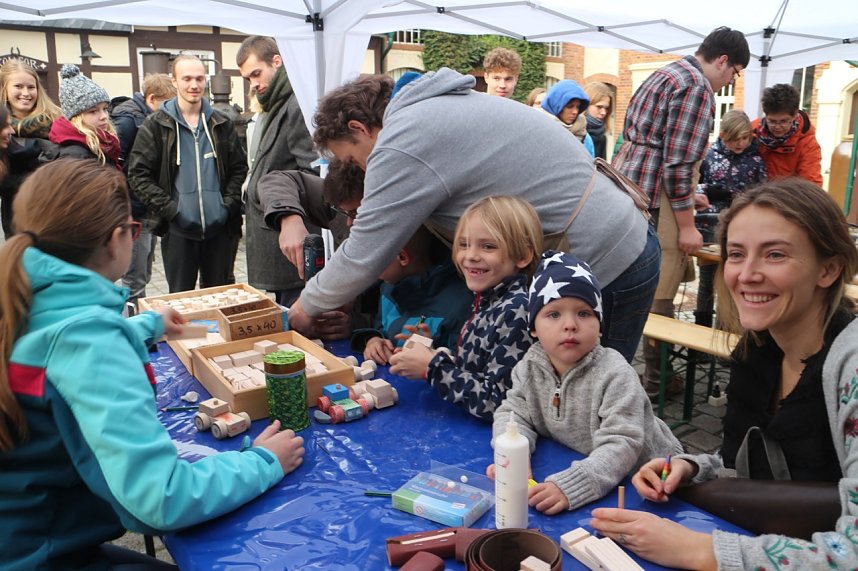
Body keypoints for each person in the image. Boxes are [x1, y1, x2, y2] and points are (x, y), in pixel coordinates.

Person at [0, 159, 305, 570]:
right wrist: (264, 462)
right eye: (134, 229)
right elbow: (161, 500)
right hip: (41, 554)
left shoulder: (20, 291)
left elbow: (59, 344)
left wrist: (145, 325)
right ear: (115, 239)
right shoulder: (91, 341)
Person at [292, 69, 661, 364]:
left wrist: (306, 307)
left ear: (359, 128)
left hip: (609, 258)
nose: (365, 172)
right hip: (616, 237)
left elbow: (365, 250)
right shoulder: (432, 111)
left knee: (589, 396)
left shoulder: (402, 138)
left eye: (355, 159)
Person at [590, 179, 858, 569]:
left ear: (828, 269)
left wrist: (702, 551)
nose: (746, 274)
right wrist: (693, 469)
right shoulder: (760, 351)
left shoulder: (850, 366)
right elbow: (765, 471)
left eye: (775, 255)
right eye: (736, 254)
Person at [487, 251, 682, 513]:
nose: (570, 325)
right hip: (586, 464)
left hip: (652, 483)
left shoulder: (615, 373)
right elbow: (514, 413)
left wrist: (572, 486)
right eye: (554, 314)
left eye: (584, 313)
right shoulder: (528, 367)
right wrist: (513, 453)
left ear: (600, 326)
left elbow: (622, 442)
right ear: (533, 327)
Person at [613, 26, 749, 398]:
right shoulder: (695, 87)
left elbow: (657, 146)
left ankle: (629, 374)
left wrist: (692, 195)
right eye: (734, 72)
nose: (729, 81)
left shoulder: (668, 71)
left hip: (631, 186)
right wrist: (687, 224)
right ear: (723, 60)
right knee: (660, 286)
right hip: (655, 198)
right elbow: (676, 164)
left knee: (628, 278)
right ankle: (656, 381)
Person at [388, 195, 540, 422]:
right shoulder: (487, 299)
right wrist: (433, 350)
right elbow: (474, 370)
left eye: (488, 246)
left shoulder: (517, 311)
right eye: (464, 244)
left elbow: (499, 402)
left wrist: (432, 368)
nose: (470, 256)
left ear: (523, 255)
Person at [128, 55, 247, 293]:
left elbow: (239, 167)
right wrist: (171, 210)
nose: (194, 85)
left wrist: (228, 205)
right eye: (187, 79)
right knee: (181, 302)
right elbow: (138, 174)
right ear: (174, 81)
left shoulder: (220, 123)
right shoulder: (156, 125)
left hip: (219, 230)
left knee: (219, 299)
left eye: (200, 78)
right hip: (179, 231)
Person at [237, 35, 319, 306]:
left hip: (289, 241)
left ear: (277, 61)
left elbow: (311, 173)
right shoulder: (274, 103)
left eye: (256, 74)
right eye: (248, 79)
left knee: (294, 321)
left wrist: (288, 216)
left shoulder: (294, 104)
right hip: (275, 238)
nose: (254, 84)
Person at [354, 226, 473, 365]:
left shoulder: (461, 304)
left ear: (402, 257)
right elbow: (380, 328)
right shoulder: (387, 288)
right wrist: (373, 339)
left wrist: (429, 358)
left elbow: (461, 364)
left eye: (373, 261)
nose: (368, 270)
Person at [693, 109, 767, 327]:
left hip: (742, 228)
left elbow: (764, 192)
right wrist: (708, 189)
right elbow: (691, 186)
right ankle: (701, 332)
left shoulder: (755, 159)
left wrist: (739, 195)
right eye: (735, 139)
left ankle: (728, 331)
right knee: (707, 281)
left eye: (745, 138)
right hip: (710, 224)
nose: (741, 143)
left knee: (733, 282)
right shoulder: (709, 155)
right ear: (724, 135)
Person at [111, 73, 176, 305]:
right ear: (152, 98)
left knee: (144, 272)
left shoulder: (151, 118)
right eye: (168, 102)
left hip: (147, 207)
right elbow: (114, 165)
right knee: (134, 277)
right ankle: (133, 326)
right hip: (133, 210)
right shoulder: (127, 120)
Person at [0, 59, 61, 238]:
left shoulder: (57, 121)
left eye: (31, 87)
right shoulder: (2, 129)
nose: (26, 93)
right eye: (18, 86)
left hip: (53, 210)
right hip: (14, 214)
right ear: (4, 88)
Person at [48, 64, 121, 169]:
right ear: (75, 117)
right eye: (93, 111)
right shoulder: (76, 156)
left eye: (105, 109)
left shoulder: (99, 142)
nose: (104, 116)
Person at [752, 83, 823, 186]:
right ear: (765, 114)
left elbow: (811, 184)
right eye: (772, 121)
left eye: (784, 121)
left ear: (795, 114)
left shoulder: (808, 144)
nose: (777, 126)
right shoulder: (753, 130)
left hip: (787, 197)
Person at [540, 79, 596, 157]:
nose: (575, 112)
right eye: (570, 106)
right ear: (556, 105)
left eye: (578, 107)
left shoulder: (584, 136)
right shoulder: (539, 130)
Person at [583, 81, 613, 160]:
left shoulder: (602, 137)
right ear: (586, 105)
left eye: (606, 108)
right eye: (599, 107)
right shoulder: (573, 132)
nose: (603, 113)